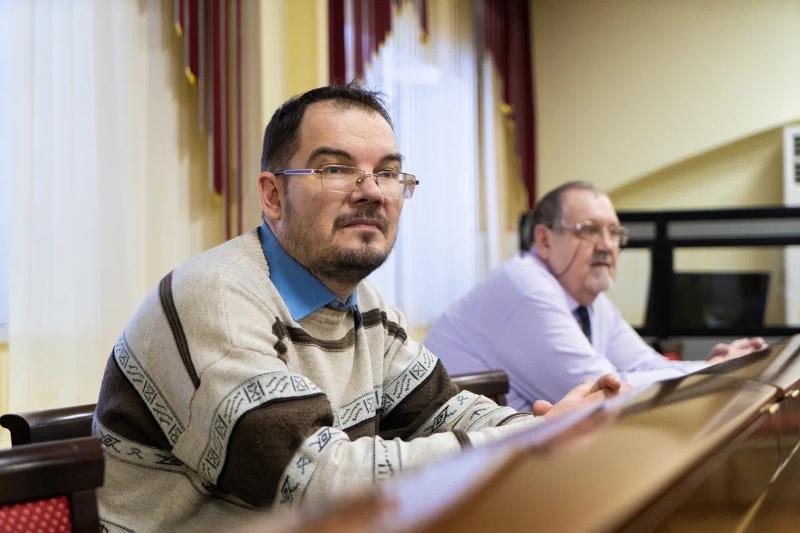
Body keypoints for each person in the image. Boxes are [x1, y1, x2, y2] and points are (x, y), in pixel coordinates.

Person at [92, 86, 621, 532]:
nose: (371, 192)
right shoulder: (214, 298)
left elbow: (446, 411)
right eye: (336, 168)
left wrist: (548, 425)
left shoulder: (363, 305)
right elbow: (316, 481)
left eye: (388, 173)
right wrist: (527, 438)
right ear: (273, 196)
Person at [425, 181, 766, 410]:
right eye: (588, 231)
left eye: (614, 233)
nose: (606, 245)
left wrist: (713, 367)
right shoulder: (525, 287)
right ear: (544, 240)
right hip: (454, 468)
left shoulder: (589, 300)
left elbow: (646, 366)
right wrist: (710, 372)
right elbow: (606, 392)